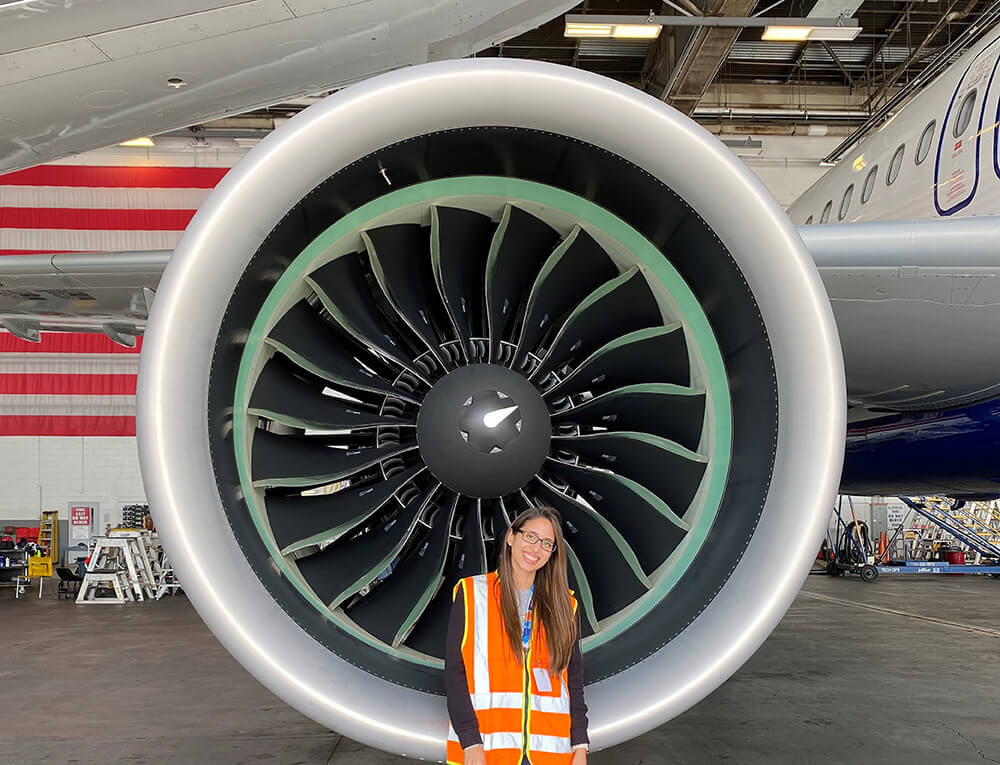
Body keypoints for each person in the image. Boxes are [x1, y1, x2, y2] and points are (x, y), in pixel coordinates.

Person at [445, 506, 589, 764]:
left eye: (547, 543)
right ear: (511, 537)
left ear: (553, 554)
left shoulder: (565, 606)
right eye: (530, 536)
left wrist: (580, 745)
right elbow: (455, 674)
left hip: (550, 752)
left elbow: (573, 680)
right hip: (487, 751)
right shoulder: (472, 595)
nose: (536, 548)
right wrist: (470, 743)